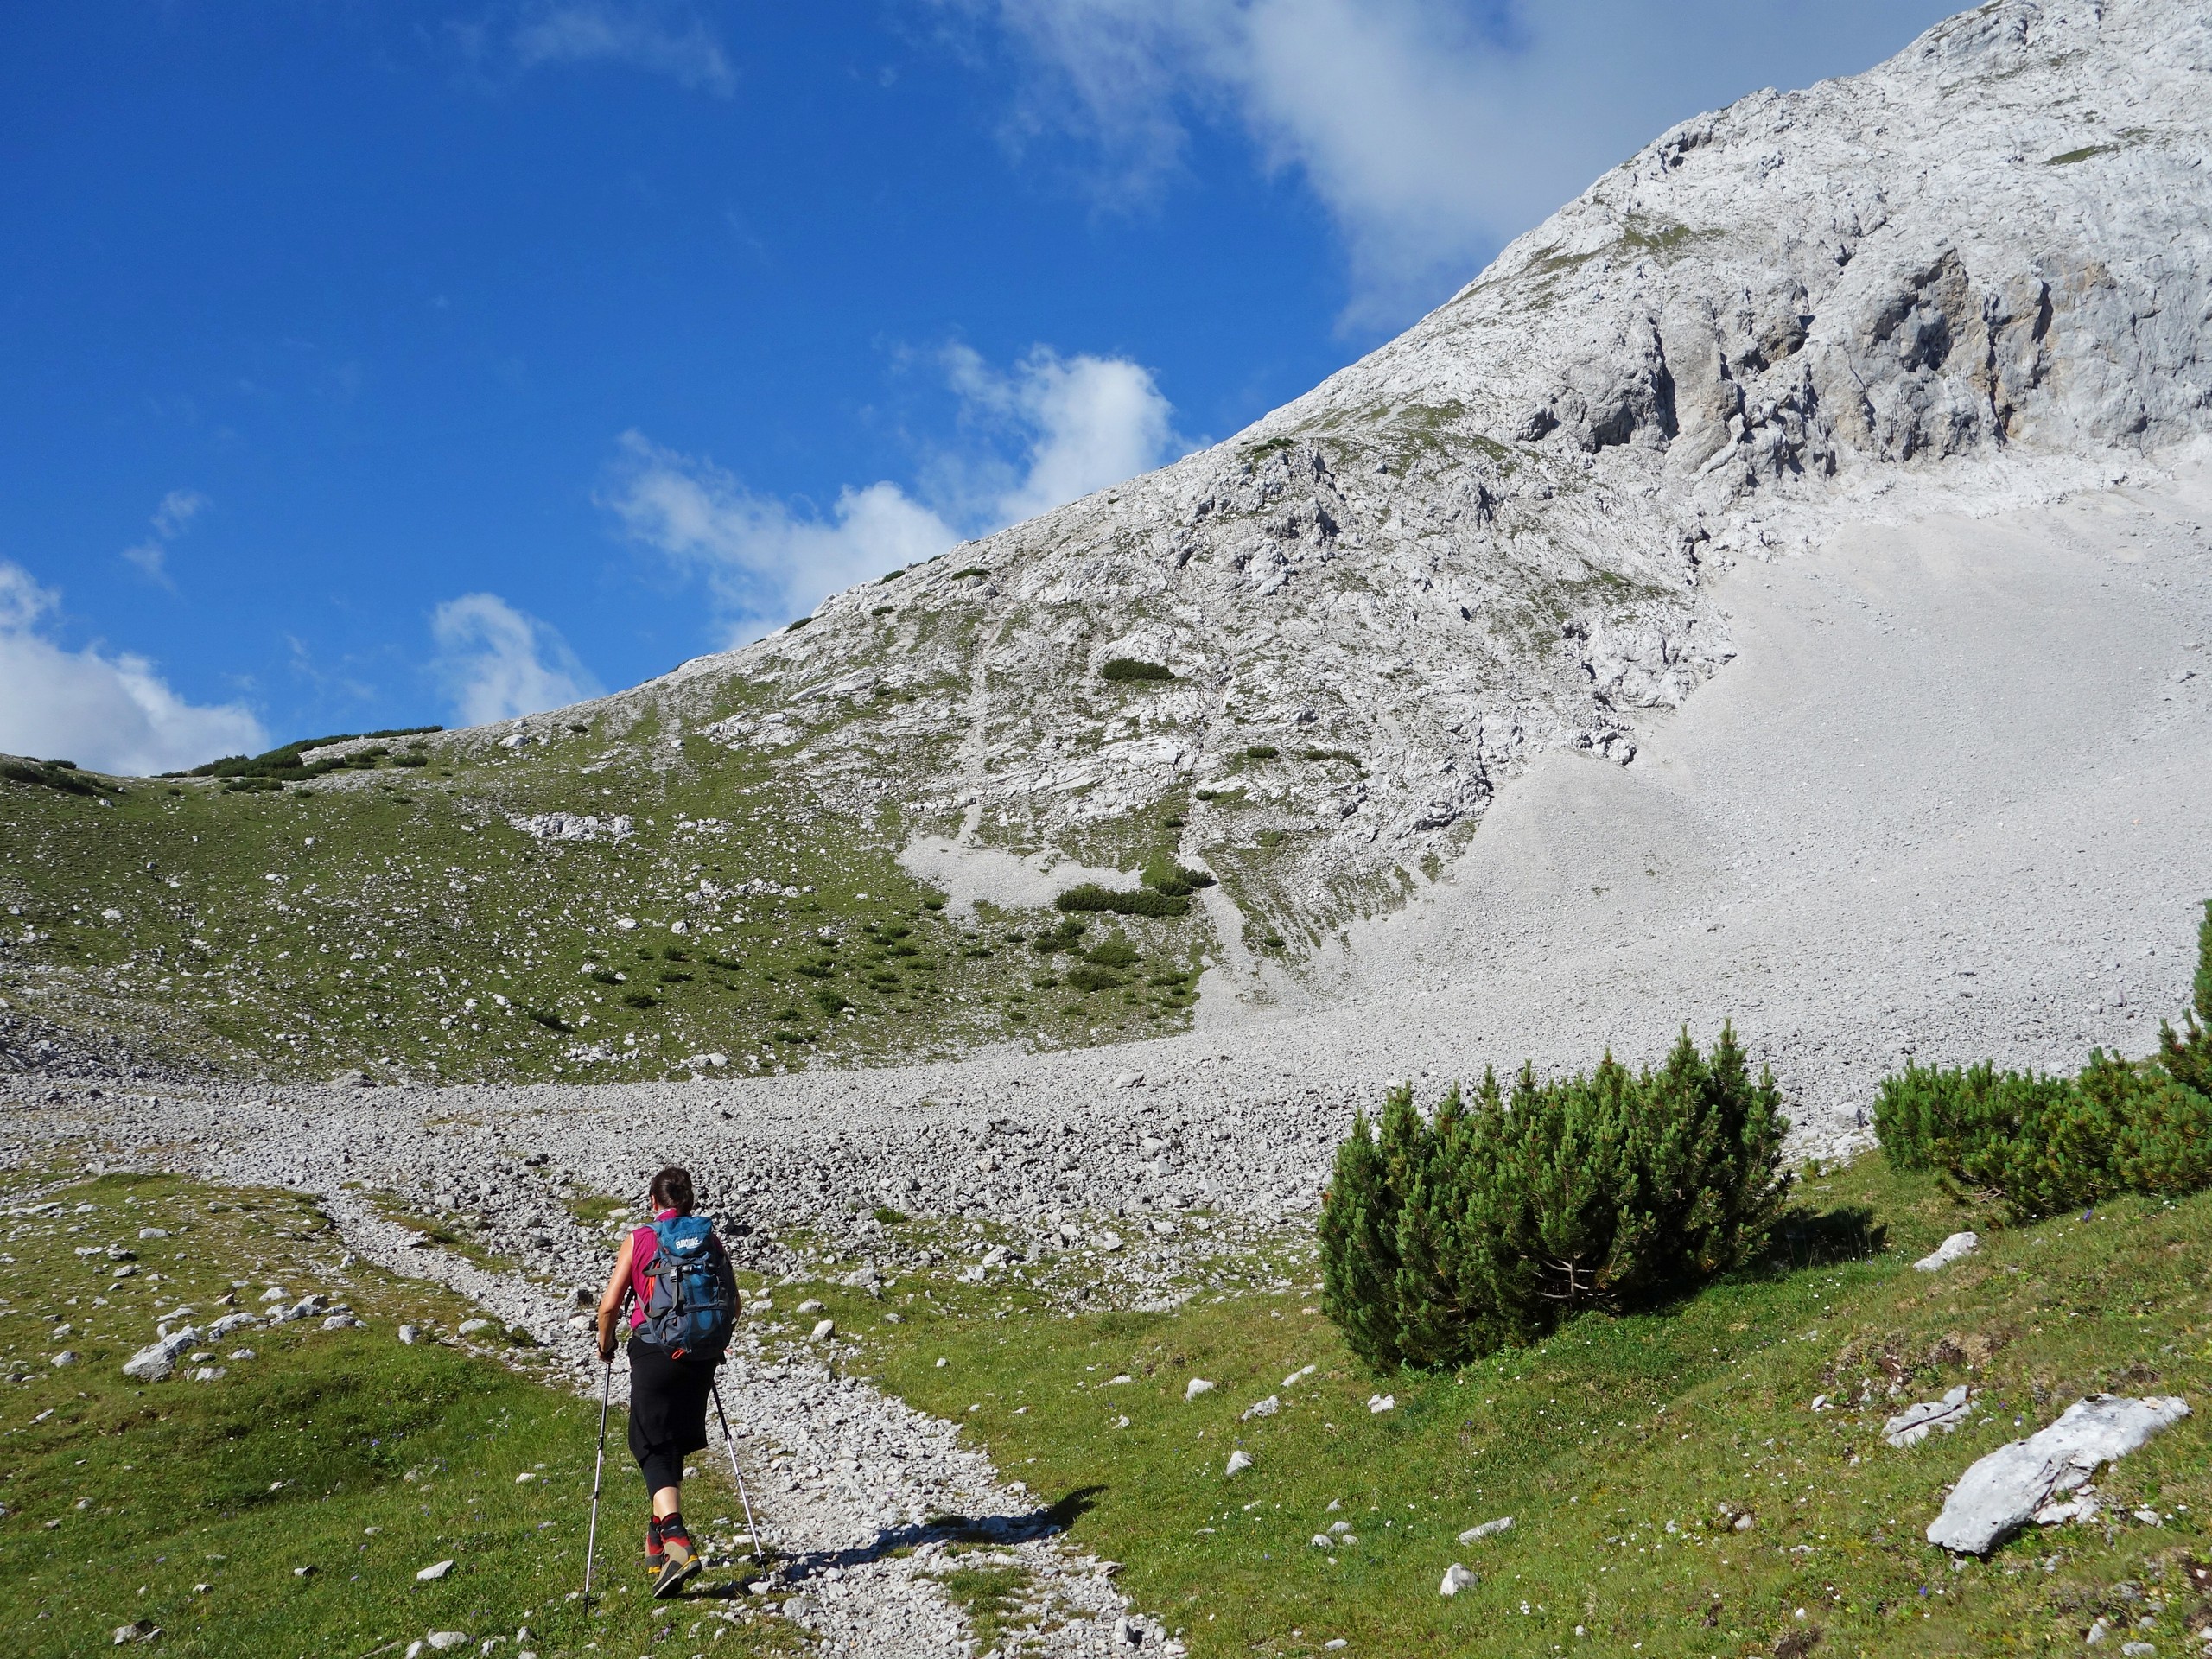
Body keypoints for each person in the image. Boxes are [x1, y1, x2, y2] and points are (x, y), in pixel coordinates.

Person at [596, 1165, 737, 1596]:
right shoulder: (709, 1238)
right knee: (671, 1440)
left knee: (649, 1443)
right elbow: (732, 1301)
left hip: (654, 1350)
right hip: (701, 1354)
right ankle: (656, 1546)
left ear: (653, 1203)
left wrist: (606, 1344)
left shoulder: (640, 1239)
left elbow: (609, 1307)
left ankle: (677, 1540)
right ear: (689, 1202)